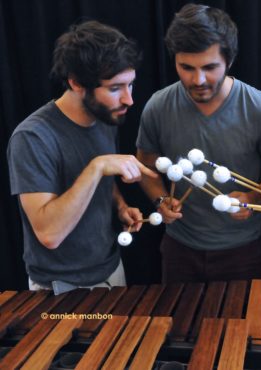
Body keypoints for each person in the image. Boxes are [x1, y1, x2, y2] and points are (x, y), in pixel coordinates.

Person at [136, 4, 261, 283]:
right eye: (186, 68)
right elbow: (145, 164)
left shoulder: (259, 108)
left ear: (229, 61)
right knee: (178, 326)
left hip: (242, 251)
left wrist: (253, 199)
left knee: (244, 327)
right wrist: (161, 199)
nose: (198, 80)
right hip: (179, 249)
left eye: (209, 67)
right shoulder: (158, 106)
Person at [7, 20, 157, 294]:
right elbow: (49, 234)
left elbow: (103, 182)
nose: (129, 100)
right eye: (115, 88)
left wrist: (120, 206)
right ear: (76, 83)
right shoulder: (32, 138)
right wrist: (97, 167)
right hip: (59, 288)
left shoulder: (105, 116)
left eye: (130, 85)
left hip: (112, 270)